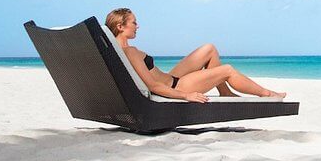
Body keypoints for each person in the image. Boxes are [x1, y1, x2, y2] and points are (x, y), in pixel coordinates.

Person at [104, 8, 285, 103]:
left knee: (209, 49)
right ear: (121, 27)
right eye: (134, 23)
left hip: (171, 78)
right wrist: (185, 96)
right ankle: (266, 93)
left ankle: (225, 92)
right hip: (178, 86)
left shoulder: (123, 52)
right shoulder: (131, 52)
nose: (138, 26)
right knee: (227, 70)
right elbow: (152, 86)